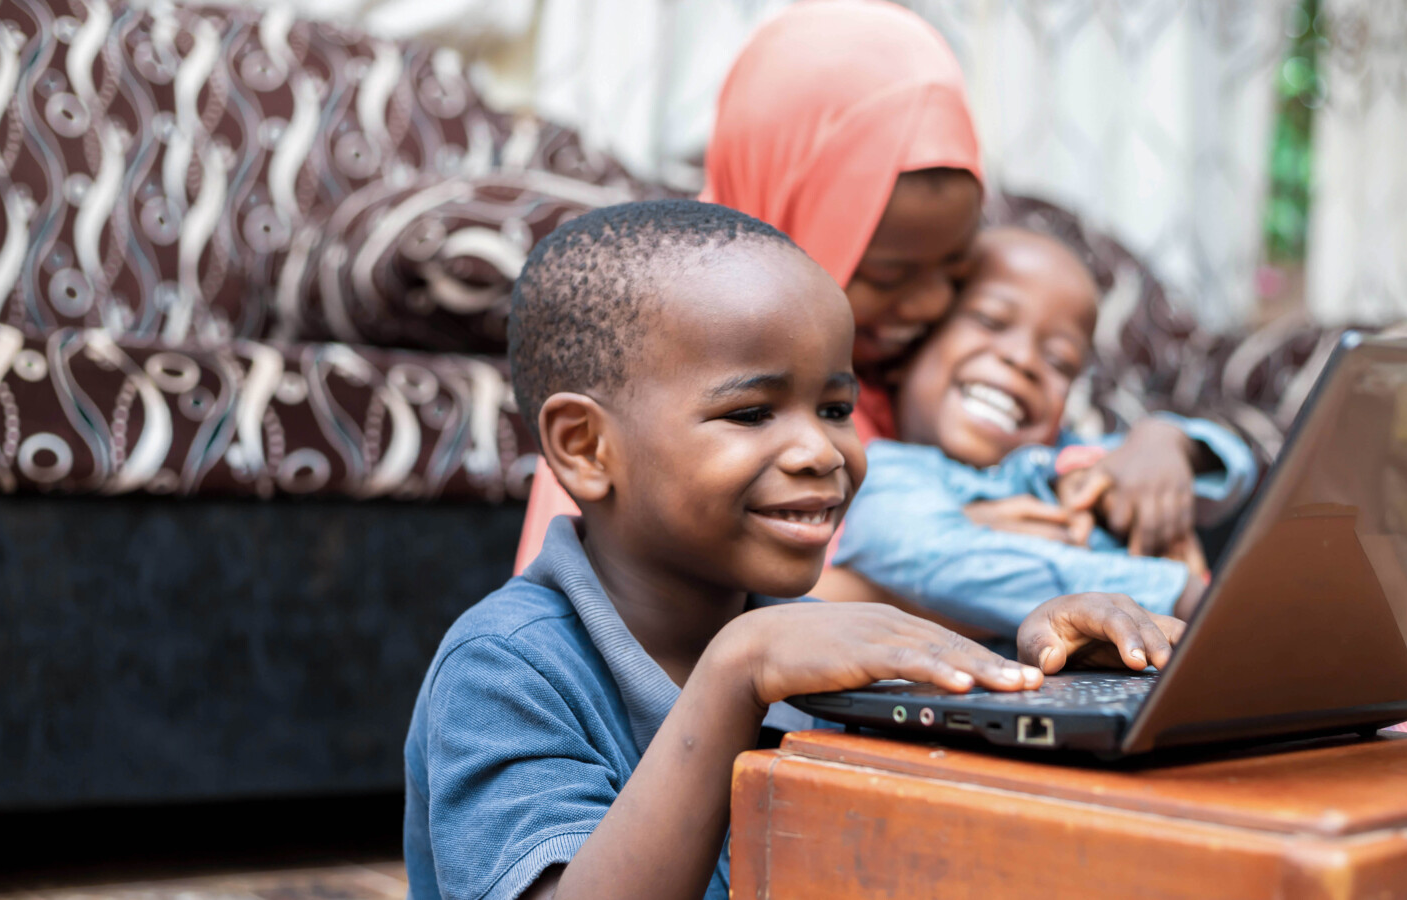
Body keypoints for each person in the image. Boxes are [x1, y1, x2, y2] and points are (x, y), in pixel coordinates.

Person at [403, 200, 1192, 900]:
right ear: (585, 448)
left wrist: (1033, 676)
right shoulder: (504, 672)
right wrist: (735, 674)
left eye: (837, 407)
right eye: (750, 413)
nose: (821, 451)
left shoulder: (807, 637)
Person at [512, 0, 984, 572]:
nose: (932, 302)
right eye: (887, 274)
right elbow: (652, 610)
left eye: (955, 270)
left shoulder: (938, 370)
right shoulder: (650, 362)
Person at [833, 228, 1257, 640]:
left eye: (1059, 361)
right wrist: (1176, 593)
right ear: (908, 351)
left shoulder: (1068, 457)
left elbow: (1231, 478)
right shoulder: (889, 471)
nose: (1022, 360)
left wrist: (1169, 443)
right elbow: (923, 554)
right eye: (990, 319)